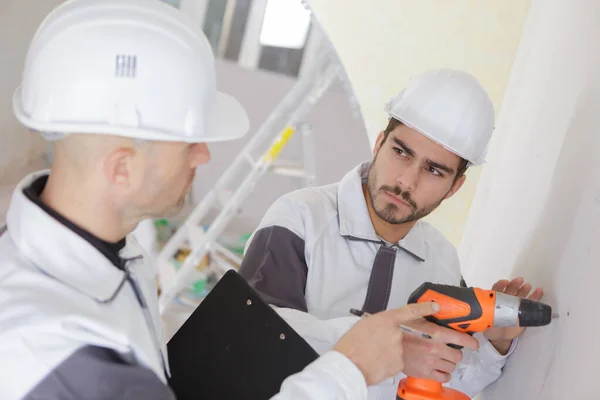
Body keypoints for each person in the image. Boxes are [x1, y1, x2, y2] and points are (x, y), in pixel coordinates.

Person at [0, 1, 440, 399]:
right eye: (190, 143)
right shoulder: (61, 356)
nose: (205, 155)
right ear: (122, 168)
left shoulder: (109, 249)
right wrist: (349, 371)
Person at [238, 69, 545, 399]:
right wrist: (397, 345)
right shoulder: (300, 218)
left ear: (454, 187)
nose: (406, 181)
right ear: (379, 143)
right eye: (401, 152)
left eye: (433, 170)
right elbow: (253, 334)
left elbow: (447, 378)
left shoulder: (441, 260)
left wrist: (494, 345)